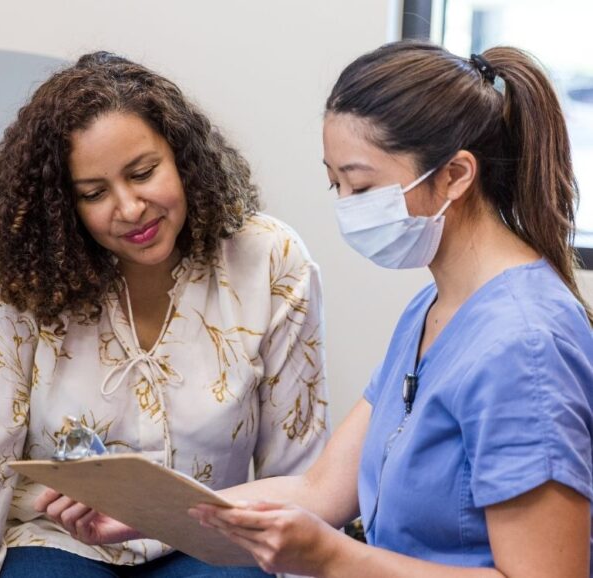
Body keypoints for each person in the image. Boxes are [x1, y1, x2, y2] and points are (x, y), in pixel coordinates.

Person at [52, 41, 593, 576]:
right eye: (336, 184)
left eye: (362, 186)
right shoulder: (435, 310)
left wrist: (334, 556)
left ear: (455, 175)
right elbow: (321, 489)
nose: (346, 209)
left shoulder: (525, 345)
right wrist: (143, 513)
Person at [0, 51, 330, 577]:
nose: (131, 208)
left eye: (143, 173)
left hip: (208, 536)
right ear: (63, 207)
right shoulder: (6, 284)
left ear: (182, 159)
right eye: (94, 194)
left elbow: (300, 473)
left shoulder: (270, 261)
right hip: (57, 540)